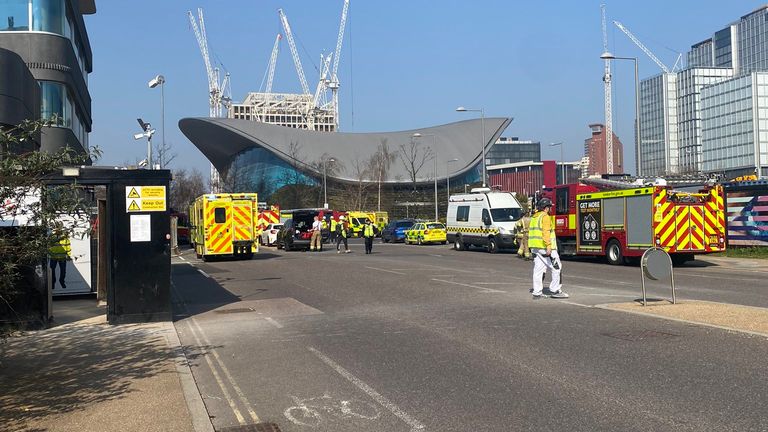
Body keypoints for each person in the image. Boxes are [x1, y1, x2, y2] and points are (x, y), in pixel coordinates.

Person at [528, 198, 569, 299]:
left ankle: (537, 292)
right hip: (544, 247)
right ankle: (555, 290)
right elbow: (546, 232)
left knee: (538, 269)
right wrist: (549, 246)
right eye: (550, 207)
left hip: (535, 247)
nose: (550, 209)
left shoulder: (534, 217)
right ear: (546, 208)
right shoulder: (545, 217)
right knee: (557, 267)